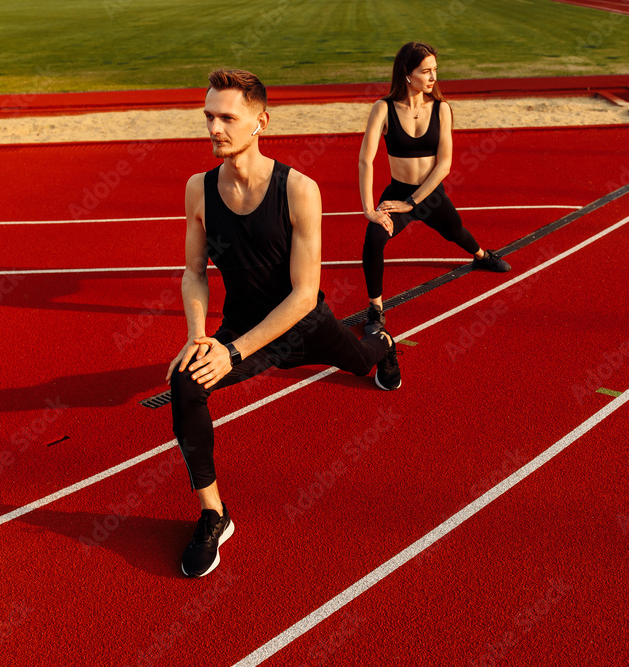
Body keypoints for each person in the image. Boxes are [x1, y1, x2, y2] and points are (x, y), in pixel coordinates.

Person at [167, 69, 401, 578]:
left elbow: (301, 295)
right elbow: (192, 273)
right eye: (208, 116)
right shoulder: (198, 190)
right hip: (241, 328)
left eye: (227, 117)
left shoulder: (299, 189)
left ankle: (381, 339)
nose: (213, 128)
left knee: (362, 360)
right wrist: (199, 338)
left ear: (260, 122)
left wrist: (233, 352)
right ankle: (214, 514)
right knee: (185, 384)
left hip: (304, 325)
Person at [359, 41, 511, 334]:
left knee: (455, 231)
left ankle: (481, 256)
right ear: (407, 73)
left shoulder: (442, 109)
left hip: (428, 195)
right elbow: (366, 161)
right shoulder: (383, 108)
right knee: (374, 239)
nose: (433, 78)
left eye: (435, 71)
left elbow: (444, 165)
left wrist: (412, 203)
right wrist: (369, 209)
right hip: (397, 193)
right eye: (425, 71)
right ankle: (376, 308)